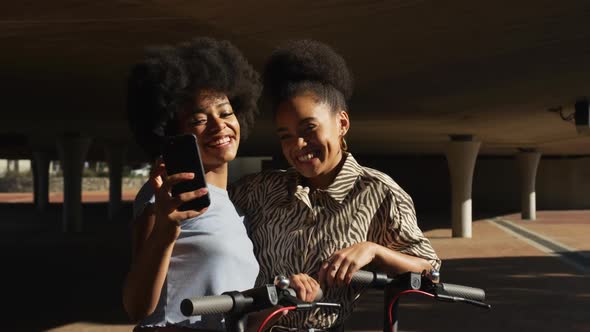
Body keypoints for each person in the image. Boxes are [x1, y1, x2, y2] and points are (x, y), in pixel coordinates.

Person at [230, 40, 441, 331]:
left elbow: (430, 269)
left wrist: (373, 251)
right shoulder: (258, 189)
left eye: (308, 129)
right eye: (286, 136)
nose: (298, 145)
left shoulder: (378, 192)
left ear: (342, 123)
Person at [123, 37, 261, 331]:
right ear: (175, 135)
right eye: (199, 120)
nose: (219, 125)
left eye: (225, 113)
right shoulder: (166, 195)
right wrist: (165, 228)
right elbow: (136, 306)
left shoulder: (233, 208)